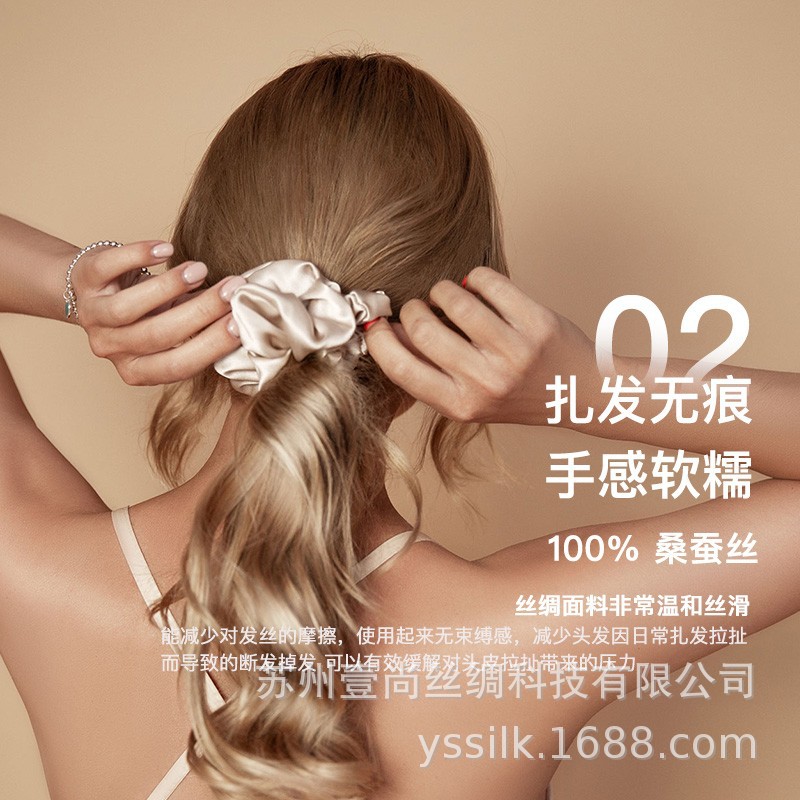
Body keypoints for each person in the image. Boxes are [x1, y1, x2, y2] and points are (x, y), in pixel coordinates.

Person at [0, 51, 798, 800]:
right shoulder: (527, 639)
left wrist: (76, 286)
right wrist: (583, 386)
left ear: (206, 287)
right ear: (457, 322)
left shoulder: (42, 576)